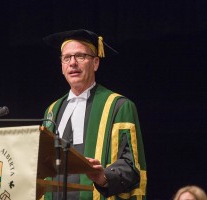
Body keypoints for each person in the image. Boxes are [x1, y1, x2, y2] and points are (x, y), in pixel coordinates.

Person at [41, 29, 147, 200]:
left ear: (96, 63)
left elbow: (132, 166)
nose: (73, 63)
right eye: (66, 58)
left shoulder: (118, 106)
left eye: (80, 56)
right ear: (61, 66)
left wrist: (103, 177)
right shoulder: (52, 111)